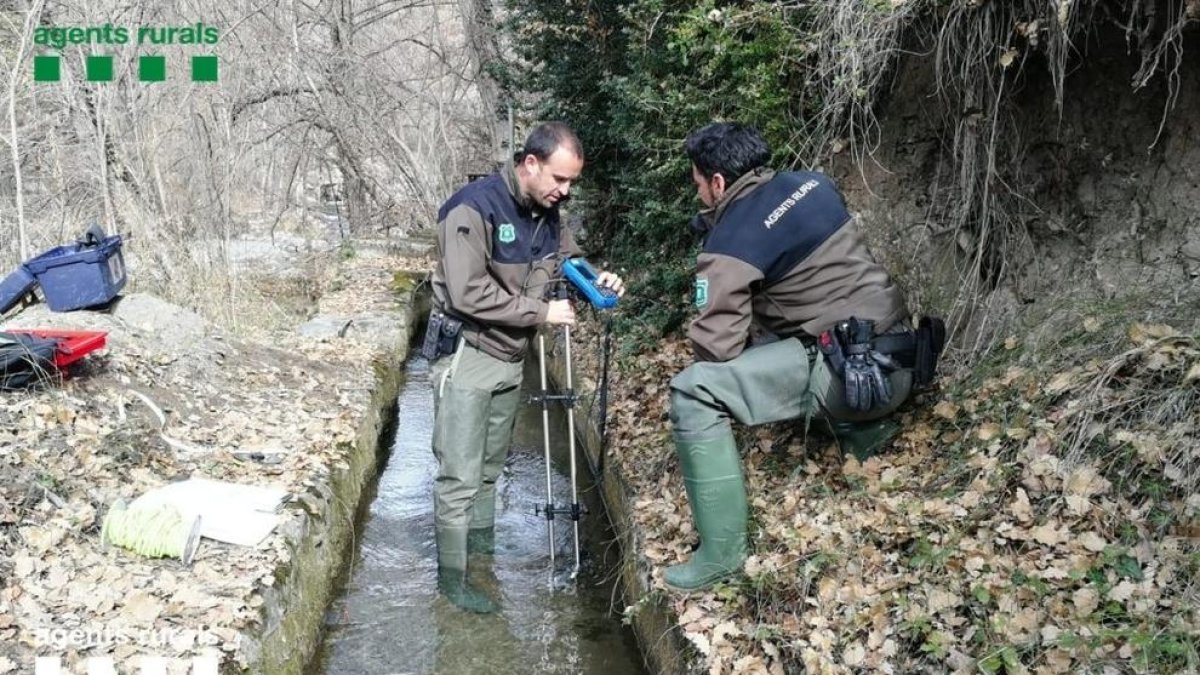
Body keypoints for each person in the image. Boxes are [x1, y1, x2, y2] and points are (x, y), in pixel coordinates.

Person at [664, 122, 933, 592]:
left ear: (719, 183)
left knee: (694, 389)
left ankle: (721, 556)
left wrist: (716, 261)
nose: (698, 195)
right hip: (901, 359)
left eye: (699, 184)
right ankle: (867, 434)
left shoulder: (729, 244)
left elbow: (717, 349)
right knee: (788, 337)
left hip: (849, 380)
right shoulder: (815, 184)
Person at [426, 122, 625, 613]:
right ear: (530, 164)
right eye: (560, 179)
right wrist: (541, 313)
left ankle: (482, 556)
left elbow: (566, 263)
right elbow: (468, 291)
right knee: (460, 477)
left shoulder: (550, 213)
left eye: (572, 182)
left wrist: (597, 280)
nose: (565, 190)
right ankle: (452, 581)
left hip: (511, 358)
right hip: (467, 355)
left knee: (491, 471)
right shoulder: (472, 208)